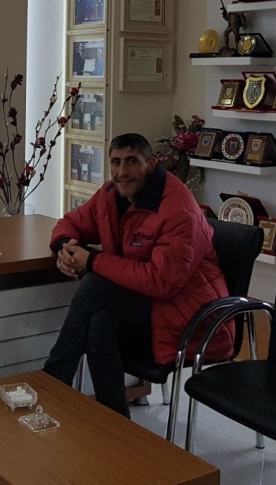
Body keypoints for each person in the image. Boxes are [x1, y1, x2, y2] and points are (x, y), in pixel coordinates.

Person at [42, 133, 234, 418]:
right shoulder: (111, 195)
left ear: (151, 164)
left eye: (132, 161)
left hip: (189, 315)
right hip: (149, 305)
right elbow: (72, 222)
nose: (122, 171)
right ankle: (115, 424)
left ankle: (53, 380)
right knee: (100, 324)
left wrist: (93, 260)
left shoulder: (178, 210)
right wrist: (64, 247)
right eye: (116, 162)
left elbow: (161, 282)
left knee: (95, 285)